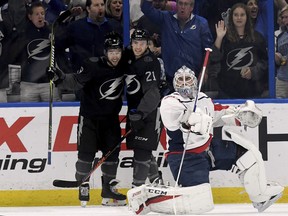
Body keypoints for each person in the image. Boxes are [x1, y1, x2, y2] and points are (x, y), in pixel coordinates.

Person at [127, 65, 284, 215]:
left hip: (208, 148)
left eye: (187, 79)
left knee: (248, 157)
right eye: (180, 80)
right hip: (185, 156)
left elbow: (216, 114)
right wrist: (194, 120)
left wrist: (238, 114)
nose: (184, 83)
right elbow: (185, 123)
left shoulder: (203, 98)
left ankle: (260, 197)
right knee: (200, 202)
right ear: (175, 84)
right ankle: (146, 197)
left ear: (194, 81)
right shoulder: (170, 102)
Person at [48, 32, 127, 206]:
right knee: (85, 156)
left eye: (118, 52)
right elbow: (75, 81)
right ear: (105, 52)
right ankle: (83, 185)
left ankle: (108, 191)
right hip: (90, 119)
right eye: (111, 52)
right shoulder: (92, 65)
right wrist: (59, 77)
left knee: (112, 157)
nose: (115, 56)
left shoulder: (124, 65)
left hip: (111, 120)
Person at [141, 0, 213, 87]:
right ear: (176, 5)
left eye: (186, 4)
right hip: (170, 77)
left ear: (191, 7)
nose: (182, 7)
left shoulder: (201, 23)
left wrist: (204, 71)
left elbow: (208, 50)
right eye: (180, 3)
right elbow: (147, 10)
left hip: (193, 77)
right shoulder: (166, 18)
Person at [124, 28, 163, 188]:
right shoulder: (129, 58)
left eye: (141, 43)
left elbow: (153, 93)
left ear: (147, 44)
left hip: (149, 113)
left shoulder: (150, 62)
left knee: (142, 151)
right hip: (135, 113)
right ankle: (157, 182)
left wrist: (141, 113)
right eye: (135, 43)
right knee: (142, 150)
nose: (138, 47)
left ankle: (137, 189)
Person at [210, 3, 268, 99]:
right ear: (231, 17)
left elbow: (265, 63)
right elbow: (214, 59)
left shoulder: (257, 38)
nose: (239, 18)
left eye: (242, 15)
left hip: (252, 92)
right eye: (236, 15)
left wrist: (253, 72)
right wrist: (219, 38)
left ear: (247, 17)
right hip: (227, 93)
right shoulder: (225, 38)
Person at [275, 5, 288, 98]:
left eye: (286, 17)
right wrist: (277, 58)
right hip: (282, 78)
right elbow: (279, 60)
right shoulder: (280, 36)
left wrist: (284, 58)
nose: (284, 19)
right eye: (282, 17)